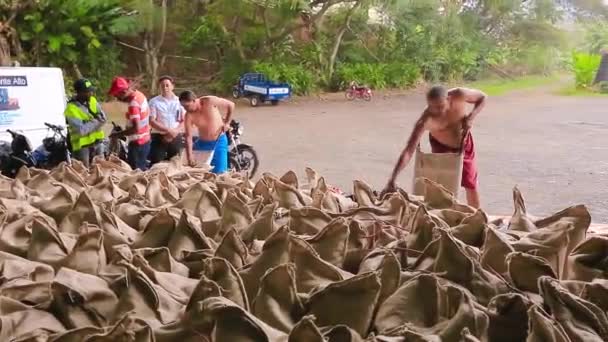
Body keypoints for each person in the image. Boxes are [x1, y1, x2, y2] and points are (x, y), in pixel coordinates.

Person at [382, 85, 487, 208]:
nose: (436, 111)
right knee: (442, 187)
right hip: (440, 148)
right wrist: (392, 178)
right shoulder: (425, 120)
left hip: (464, 144)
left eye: (440, 107)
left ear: (449, 99)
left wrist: (471, 117)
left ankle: (479, 219)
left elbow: (483, 98)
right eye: (432, 108)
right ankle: (441, 216)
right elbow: (408, 151)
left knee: (470, 183)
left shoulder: (459, 95)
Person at [178, 90, 235, 174]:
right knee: (196, 171)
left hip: (219, 141)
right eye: (183, 106)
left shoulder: (209, 101)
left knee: (220, 172)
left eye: (187, 106)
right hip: (202, 143)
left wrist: (227, 122)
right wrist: (190, 156)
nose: (185, 109)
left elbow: (231, 105)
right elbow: (188, 137)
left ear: (194, 101)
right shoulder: (188, 115)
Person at [107, 76, 151, 171]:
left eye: (116, 95)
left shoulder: (133, 104)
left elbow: (136, 128)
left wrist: (117, 134)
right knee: (141, 169)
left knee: (135, 172)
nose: (116, 98)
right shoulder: (139, 95)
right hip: (145, 139)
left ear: (123, 92)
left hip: (138, 142)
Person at [64, 78, 106, 168]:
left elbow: (103, 119)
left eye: (91, 91)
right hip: (82, 147)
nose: (91, 93)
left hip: (97, 143)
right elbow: (81, 130)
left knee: (101, 172)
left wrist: (91, 123)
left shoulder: (93, 101)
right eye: (87, 91)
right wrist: (96, 121)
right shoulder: (71, 108)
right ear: (79, 92)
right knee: (84, 174)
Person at [148, 76, 185, 164]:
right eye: (162, 86)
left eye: (167, 85)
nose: (165, 88)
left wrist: (174, 132)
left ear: (172, 86)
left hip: (176, 136)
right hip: (159, 136)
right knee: (156, 164)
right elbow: (152, 120)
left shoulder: (179, 102)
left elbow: (184, 120)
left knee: (175, 164)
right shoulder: (154, 101)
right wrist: (168, 131)